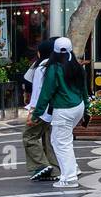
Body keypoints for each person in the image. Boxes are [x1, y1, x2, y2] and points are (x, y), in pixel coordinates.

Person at [33, 37, 88, 188]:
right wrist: (87, 109)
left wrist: (36, 113)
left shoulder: (54, 68)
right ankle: (72, 169)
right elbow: (84, 90)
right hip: (78, 107)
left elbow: (46, 93)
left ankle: (69, 177)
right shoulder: (77, 66)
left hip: (63, 109)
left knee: (60, 143)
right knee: (64, 141)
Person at [22, 39, 60, 183]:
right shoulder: (60, 65)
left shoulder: (42, 68)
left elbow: (38, 92)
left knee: (29, 136)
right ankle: (55, 169)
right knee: (49, 139)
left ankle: (41, 165)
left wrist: (33, 112)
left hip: (43, 110)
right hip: (57, 109)